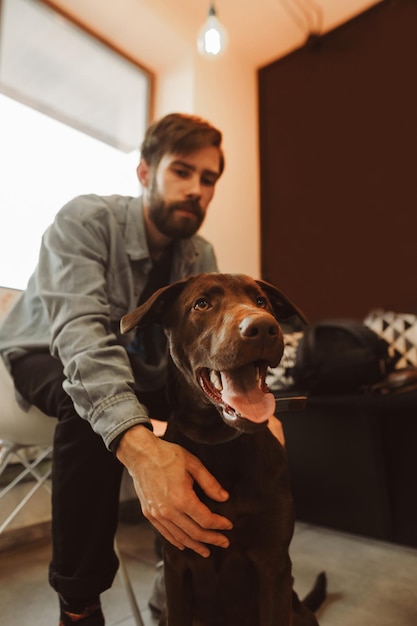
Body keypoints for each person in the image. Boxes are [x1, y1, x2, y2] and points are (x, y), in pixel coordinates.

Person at [0, 113, 233, 626]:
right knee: (88, 401)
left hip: (135, 366)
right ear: (146, 172)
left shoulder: (201, 254)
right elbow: (82, 338)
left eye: (209, 178)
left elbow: (197, 356)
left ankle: (183, 577)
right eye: (182, 171)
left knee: (212, 416)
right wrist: (138, 441)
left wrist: (243, 401)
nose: (197, 189)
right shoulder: (84, 220)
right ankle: (79, 605)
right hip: (44, 351)